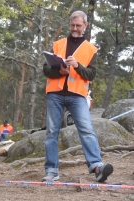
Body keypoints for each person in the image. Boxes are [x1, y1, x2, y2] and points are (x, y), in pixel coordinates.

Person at [42, 10, 113, 182]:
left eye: (78, 26)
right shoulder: (58, 44)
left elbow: (92, 74)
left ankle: (97, 167)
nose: (75, 28)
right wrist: (59, 71)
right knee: (52, 132)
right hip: (55, 94)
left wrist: (78, 66)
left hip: (78, 95)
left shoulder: (91, 49)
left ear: (85, 26)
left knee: (87, 130)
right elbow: (45, 69)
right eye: (72, 25)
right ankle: (51, 170)